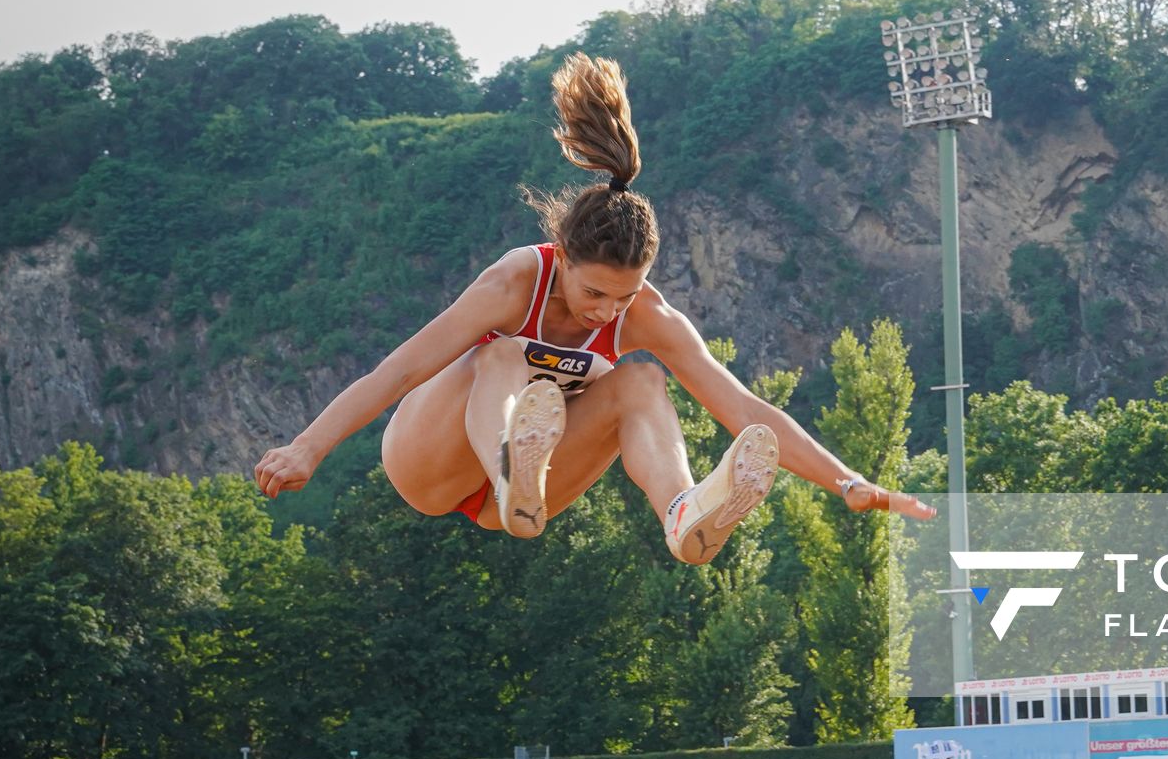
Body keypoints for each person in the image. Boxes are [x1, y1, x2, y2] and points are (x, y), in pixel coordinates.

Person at [252, 54, 935, 559]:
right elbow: (397, 372)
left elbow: (745, 410)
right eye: (592, 294)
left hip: (523, 504)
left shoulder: (647, 317)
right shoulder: (513, 283)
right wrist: (307, 448)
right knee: (505, 351)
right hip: (428, 460)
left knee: (639, 378)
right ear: (562, 259)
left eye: (626, 295)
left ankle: (682, 513)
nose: (607, 312)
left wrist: (848, 481)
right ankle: (509, 460)